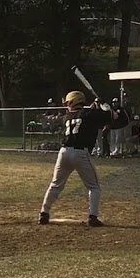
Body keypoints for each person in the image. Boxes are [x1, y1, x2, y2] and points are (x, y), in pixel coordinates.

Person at [39, 90, 116, 227]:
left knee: (55, 185)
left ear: (73, 102)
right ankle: (93, 217)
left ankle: (44, 213)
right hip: (80, 152)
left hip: (63, 152)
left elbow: (85, 117)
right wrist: (104, 105)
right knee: (94, 187)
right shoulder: (90, 113)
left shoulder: (67, 116)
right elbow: (113, 116)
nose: (67, 105)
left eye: (68, 102)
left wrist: (96, 107)